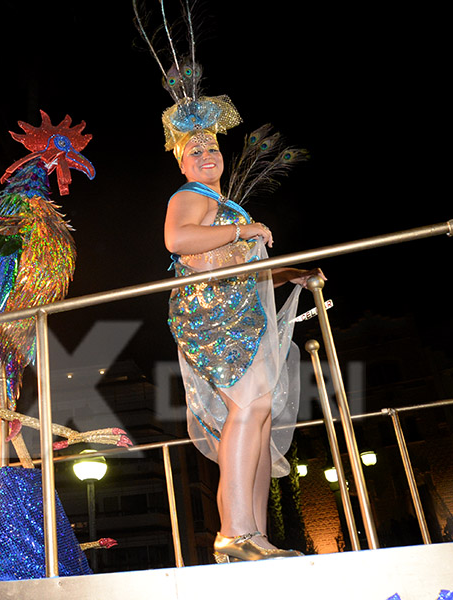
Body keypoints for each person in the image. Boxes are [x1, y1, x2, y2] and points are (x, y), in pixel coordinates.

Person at [163, 96, 320, 563]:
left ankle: (253, 536)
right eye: (196, 151)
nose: (207, 155)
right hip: (212, 315)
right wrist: (243, 231)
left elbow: (232, 266)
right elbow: (178, 241)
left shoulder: (221, 202)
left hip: (236, 310)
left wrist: (292, 274)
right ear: (182, 162)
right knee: (252, 406)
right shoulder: (189, 197)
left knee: (260, 411)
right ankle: (234, 531)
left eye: (212, 148)